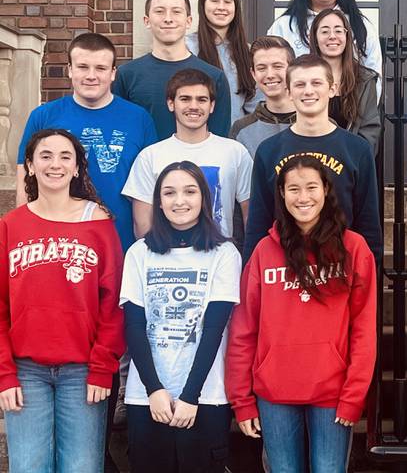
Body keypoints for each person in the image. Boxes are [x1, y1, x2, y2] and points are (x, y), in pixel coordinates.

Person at [226, 156, 377, 473]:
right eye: (293, 189)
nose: (303, 197)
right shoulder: (264, 252)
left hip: (332, 393)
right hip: (274, 392)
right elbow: (243, 330)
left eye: (311, 187)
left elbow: (363, 330)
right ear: (281, 194)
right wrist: (241, 399)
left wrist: (353, 396)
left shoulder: (354, 248)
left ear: (325, 190)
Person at [0, 129, 125, 473]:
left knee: (81, 467)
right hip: (26, 372)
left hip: (83, 371)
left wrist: (102, 368)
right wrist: (5, 375)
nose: (55, 164)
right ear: (29, 165)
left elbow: (113, 303)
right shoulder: (10, 226)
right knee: (28, 467)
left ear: (76, 169)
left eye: (65, 157)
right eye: (45, 156)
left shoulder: (98, 224)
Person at [120, 161, 241, 473]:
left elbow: (214, 328)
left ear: (204, 198)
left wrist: (190, 396)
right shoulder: (139, 253)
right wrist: (154, 390)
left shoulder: (225, 254)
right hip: (147, 397)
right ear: (159, 201)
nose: (180, 201)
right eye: (169, 193)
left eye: (190, 191)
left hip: (206, 396)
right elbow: (134, 327)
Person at [15, 32, 157, 251]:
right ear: (70, 70)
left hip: (121, 243)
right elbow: (25, 181)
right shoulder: (43, 116)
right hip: (57, 244)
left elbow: (150, 187)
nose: (91, 76)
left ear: (113, 73)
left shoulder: (139, 119)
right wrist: (24, 237)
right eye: (82, 67)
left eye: (100, 68)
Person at [243, 54, 381, 263]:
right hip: (283, 271)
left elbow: (368, 225)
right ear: (288, 93)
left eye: (316, 83)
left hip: (340, 270)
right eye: (300, 84)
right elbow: (257, 226)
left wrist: (370, 280)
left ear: (332, 89)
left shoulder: (357, 149)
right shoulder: (269, 151)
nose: (308, 91)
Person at [123, 69, 253, 240]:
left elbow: (250, 216)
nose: (193, 106)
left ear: (212, 106)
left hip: (220, 257)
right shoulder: (150, 157)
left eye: (202, 100)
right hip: (166, 259)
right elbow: (142, 225)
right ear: (171, 104)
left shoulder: (235, 152)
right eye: (185, 99)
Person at [113, 0, 232, 140]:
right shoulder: (127, 75)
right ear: (146, 21)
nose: (168, 19)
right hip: (142, 163)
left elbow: (219, 140)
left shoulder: (214, 76)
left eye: (176, 11)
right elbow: (121, 134)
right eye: (159, 11)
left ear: (188, 21)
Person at [267, 0, 383, 97]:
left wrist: (363, 112)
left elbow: (373, 71)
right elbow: (273, 71)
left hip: (351, 109)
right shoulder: (284, 26)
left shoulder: (359, 24)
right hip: (297, 110)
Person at [187, 0, 263, 126]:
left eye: (228, 1)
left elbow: (255, 103)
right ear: (203, 5)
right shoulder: (187, 47)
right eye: (214, 0)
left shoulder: (247, 52)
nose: (221, 7)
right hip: (197, 136)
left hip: (236, 139)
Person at [309, 8, 381, 153]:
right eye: (324, 31)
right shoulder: (304, 77)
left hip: (351, 163)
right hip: (310, 163)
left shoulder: (365, 80)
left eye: (338, 31)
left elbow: (370, 133)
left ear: (347, 37)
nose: (332, 36)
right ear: (315, 38)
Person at [230, 35, 296, 158]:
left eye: (277, 66)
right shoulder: (241, 130)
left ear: (292, 69)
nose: (270, 74)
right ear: (253, 74)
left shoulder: (321, 123)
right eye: (262, 68)